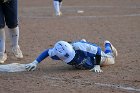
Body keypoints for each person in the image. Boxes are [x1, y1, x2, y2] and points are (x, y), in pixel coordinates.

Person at [25, 39, 118, 73]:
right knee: (84, 58)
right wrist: (35, 62)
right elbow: (47, 52)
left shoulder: (79, 48)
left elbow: (97, 50)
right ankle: (83, 41)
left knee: (111, 59)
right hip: (84, 54)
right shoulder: (57, 52)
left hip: (95, 56)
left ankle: (107, 44)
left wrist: (97, 65)